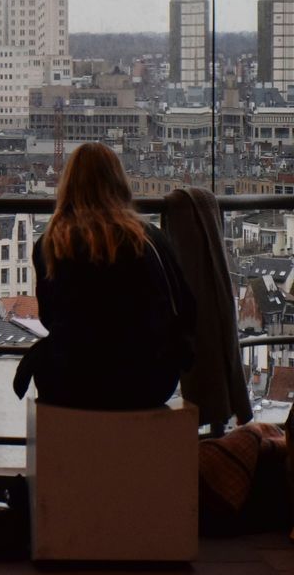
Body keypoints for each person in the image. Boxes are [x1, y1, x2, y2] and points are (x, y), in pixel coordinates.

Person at [13, 142, 196, 410]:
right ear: (119, 182)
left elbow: (50, 317)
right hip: (149, 380)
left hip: (75, 380)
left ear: (68, 185)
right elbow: (187, 308)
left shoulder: (51, 243)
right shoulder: (149, 238)